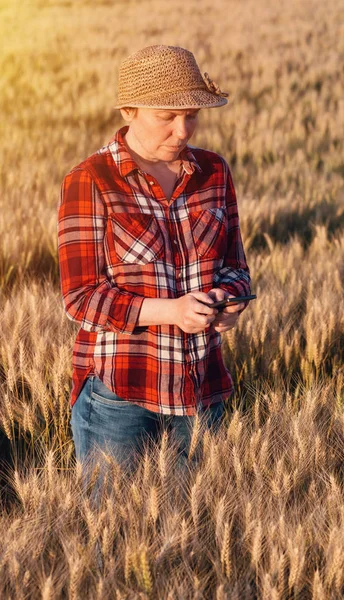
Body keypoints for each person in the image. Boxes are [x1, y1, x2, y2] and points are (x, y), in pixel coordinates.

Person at [57, 45, 251, 476]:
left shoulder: (214, 172)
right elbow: (80, 297)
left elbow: (236, 268)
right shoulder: (90, 180)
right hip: (120, 393)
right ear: (129, 111)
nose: (183, 131)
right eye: (166, 116)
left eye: (192, 115)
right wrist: (174, 312)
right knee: (116, 530)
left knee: (200, 526)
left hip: (204, 388)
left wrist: (229, 302)